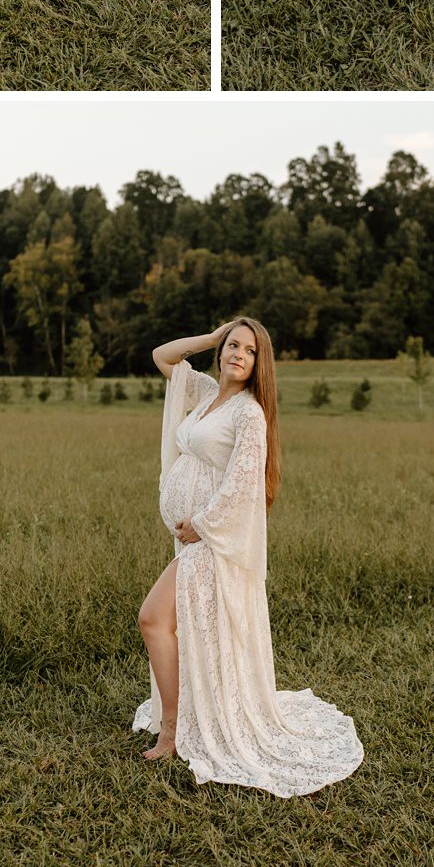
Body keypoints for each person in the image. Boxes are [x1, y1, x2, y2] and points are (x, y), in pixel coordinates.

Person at [134, 317, 363, 796]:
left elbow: (243, 485)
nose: (239, 354)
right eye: (233, 346)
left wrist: (201, 524)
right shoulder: (203, 396)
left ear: (261, 363)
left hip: (214, 542)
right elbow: (163, 355)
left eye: (250, 350)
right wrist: (212, 336)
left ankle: (175, 732)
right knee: (175, 626)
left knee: (154, 619)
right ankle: (185, 720)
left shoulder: (248, 413)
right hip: (193, 540)